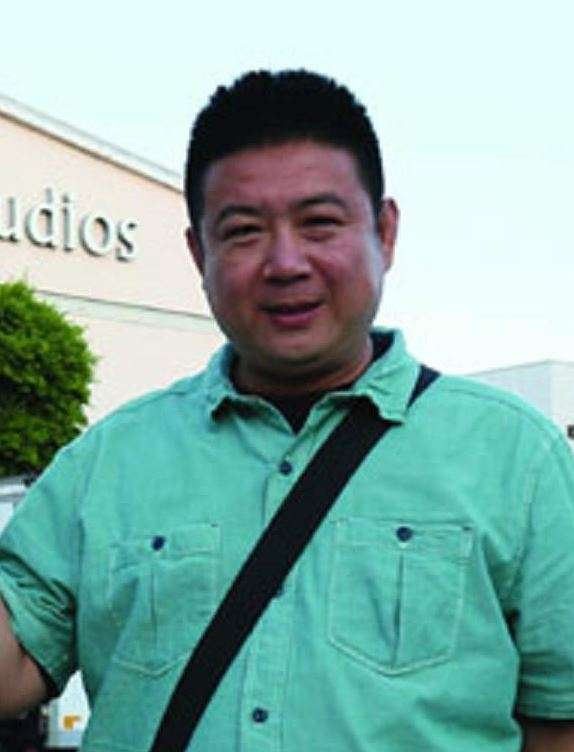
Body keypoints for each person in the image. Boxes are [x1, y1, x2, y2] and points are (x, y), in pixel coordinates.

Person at [1, 70, 573, 752]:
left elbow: (560, 717)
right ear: (198, 253)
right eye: (243, 232)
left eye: (319, 223)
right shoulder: (109, 461)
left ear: (385, 231)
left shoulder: (517, 458)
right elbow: (15, 667)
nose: (285, 263)